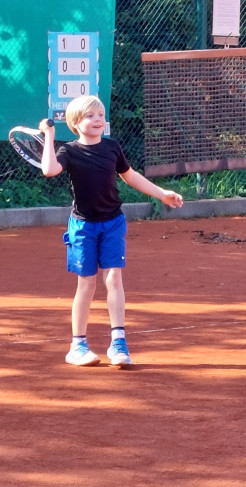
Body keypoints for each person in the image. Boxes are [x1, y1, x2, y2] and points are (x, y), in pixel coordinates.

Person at [39, 95, 183, 368]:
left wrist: (161, 193)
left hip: (113, 222)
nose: (98, 120)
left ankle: (118, 343)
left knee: (114, 277)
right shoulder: (69, 151)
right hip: (83, 226)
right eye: (90, 116)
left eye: (101, 115)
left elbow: (130, 176)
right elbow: (49, 170)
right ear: (75, 123)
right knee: (87, 283)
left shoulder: (112, 147)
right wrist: (49, 135)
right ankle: (77, 346)